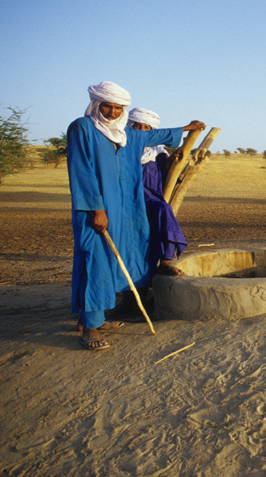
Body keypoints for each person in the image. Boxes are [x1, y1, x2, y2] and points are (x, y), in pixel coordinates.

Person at [67, 81, 205, 350]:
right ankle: (91, 328)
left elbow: (157, 134)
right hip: (94, 211)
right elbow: (81, 172)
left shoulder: (127, 136)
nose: (112, 112)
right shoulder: (83, 128)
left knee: (116, 259)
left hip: (123, 211)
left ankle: (93, 318)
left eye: (118, 108)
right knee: (94, 260)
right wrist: (96, 209)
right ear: (96, 104)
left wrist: (188, 128)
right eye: (107, 106)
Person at [127, 107, 188, 278]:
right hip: (129, 199)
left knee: (164, 209)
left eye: (146, 128)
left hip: (150, 198)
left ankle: (165, 260)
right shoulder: (123, 149)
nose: (141, 131)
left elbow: (164, 174)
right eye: (137, 126)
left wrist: (170, 162)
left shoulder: (157, 152)